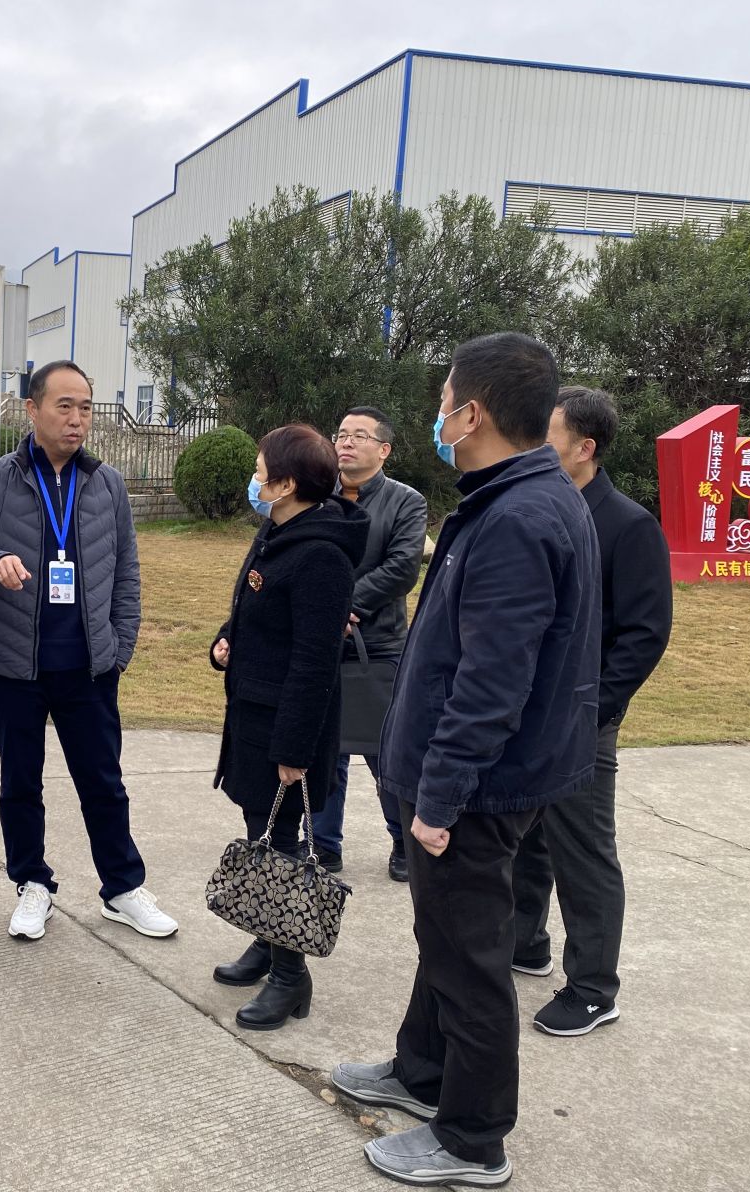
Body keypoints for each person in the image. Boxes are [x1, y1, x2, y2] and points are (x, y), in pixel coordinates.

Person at [329, 333, 601, 1187]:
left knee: (471, 958)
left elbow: (491, 684)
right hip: (475, 779)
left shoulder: (519, 516)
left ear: (472, 413)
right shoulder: (513, 497)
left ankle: (473, 1139)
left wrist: (439, 799)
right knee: (444, 938)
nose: (438, 414)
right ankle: (422, 1072)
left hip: (477, 789)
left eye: (444, 399)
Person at [0, 359, 177, 941]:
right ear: (32, 409)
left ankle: (122, 888)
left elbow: (126, 573)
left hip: (89, 667)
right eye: (64, 406)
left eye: (86, 408)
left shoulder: (107, 483)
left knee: (103, 782)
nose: (77, 419)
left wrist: (119, 649)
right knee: (20, 783)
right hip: (15, 664)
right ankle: (32, 884)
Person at [512, 386, 672, 1036]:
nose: (532, 444)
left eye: (545, 434)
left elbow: (644, 635)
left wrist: (592, 709)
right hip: (523, 711)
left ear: (585, 447)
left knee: (582, 851)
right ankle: (524, 943)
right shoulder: (536, 508)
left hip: (580, 720)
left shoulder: (628, 525)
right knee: (523, 838)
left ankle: (593, 989)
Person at [209, 424, 367, 1030]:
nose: (254, 479)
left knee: (279, 843)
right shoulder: (276, 532)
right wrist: (226, 640)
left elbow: (314, 661)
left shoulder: (321, 555)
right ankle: (266, 939)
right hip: (253, 714)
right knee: (261, 831)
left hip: (286, 727)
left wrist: (295, 749)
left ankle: (290, 974)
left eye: (260, 471)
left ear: (286, 484)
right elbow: (250, 612)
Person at [312, 406, 428, 882]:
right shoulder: (316, 495)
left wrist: (343, 603)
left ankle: (403, 840)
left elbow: (403, 567)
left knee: (387, 751)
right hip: (321, 644)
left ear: (384, 449)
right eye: (341, 433)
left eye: (359, 435)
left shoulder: (406, 501)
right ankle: (323, 844)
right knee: (324, 751)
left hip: (378, 646)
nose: (346, 441)